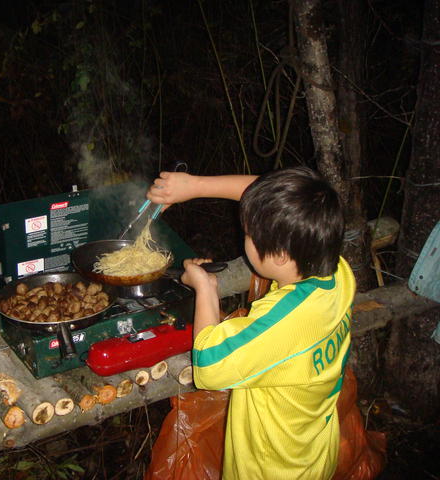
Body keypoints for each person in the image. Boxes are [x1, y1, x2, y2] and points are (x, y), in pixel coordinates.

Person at [147, 166, 355, 480]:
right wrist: (194, 186)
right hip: (313, 453)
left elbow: (209, 365)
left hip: (271, 470)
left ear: (280, 255)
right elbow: (271, 194)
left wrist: (206, 288)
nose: (244, 238)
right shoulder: (337, 273)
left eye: (248, 235)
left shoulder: (285, 321)